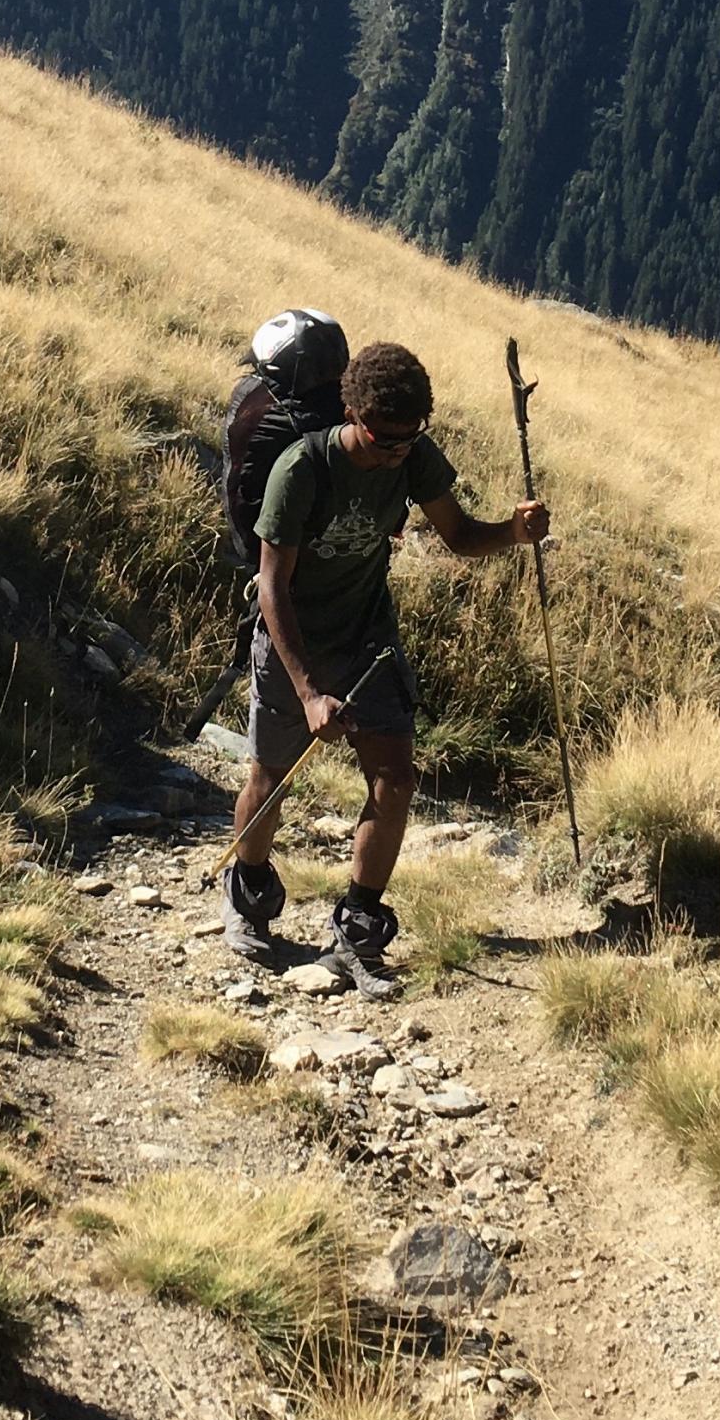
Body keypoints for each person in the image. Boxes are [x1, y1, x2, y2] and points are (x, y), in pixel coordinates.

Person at [222, 338, 549, 995]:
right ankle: (250, 891)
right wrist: (310, 691)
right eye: (383, 439)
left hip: (369, 641)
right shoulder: (300, 470)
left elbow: (458, 536)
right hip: (296, 644)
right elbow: (272, 588)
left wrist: (512, 533)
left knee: (395, 779)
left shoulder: (413, 457)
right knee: (272, 778)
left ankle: (359, 923)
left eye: (408, 439)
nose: (396, 452)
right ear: (353, 413)